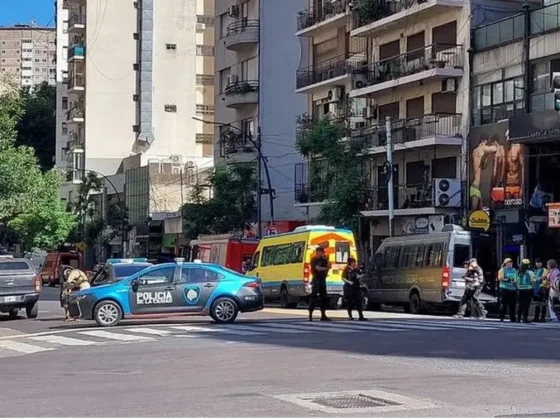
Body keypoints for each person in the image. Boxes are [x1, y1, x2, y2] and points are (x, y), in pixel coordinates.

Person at [308, 246, 331, 322]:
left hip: (322, 279)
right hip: (316, 279)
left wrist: (326, 260)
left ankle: (323, 314)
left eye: (321, 253)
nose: (319, 254)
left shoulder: (324, 260)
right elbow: (318, 268)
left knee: (324, 297)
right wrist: (326, 268)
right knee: (313, 297)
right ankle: (310, 315)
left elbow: (329, 266)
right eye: (318, 253)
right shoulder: (314, 260)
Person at [497, 257, 517, 322]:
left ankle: (513, 318)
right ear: (505, 263)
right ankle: (502, 317)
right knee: (503, 304)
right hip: (504, 289)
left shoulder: (514, 270)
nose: (510, 264)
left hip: (513, 289)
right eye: (508, 263)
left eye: (511, 262)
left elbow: (516, 277)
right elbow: (500, 278)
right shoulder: (502, 270)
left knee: (512, 305)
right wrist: (508, 279)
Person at [515, 259, 534, 323]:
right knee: (526, 305)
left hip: (520, 290)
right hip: (528, 290)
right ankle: (524, 318)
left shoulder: (518, 272)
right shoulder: (530, 272)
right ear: (528, 265)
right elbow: (533, 281)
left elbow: (515, 281)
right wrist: (533, 288)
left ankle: (518, 318)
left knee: (520, 304)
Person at [532, 258, 549, 323]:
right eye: (537, 262)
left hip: (542, 289)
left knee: (543, 304)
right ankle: (536, 317)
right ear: (535, 263)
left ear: (542, 263)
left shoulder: (544, 269)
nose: (538, 264)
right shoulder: (535, 270)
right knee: (537, 305)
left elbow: (545, 277)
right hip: (535, 290)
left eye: (539, 262)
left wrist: (540, 278)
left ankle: (542, 318)